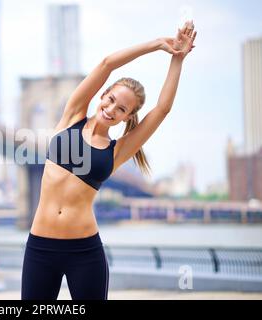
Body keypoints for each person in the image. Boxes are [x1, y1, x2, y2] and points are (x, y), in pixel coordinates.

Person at [21, 21, 197, 300]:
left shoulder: (118, 150)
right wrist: (157, 44)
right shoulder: (72, 116)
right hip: (40, 248)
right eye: (111, 99)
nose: (111, 109)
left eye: (122, 109)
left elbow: (162, 109)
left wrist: (178, 58)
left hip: (84, 251)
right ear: (102, 95)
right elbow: (106, 64)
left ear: (127, 117)